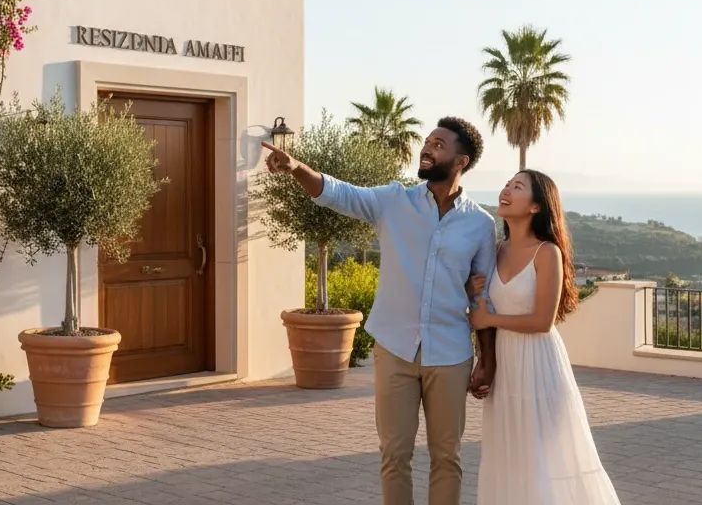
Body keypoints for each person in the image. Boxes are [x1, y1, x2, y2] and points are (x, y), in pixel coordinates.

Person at [264, 116, 497, 505]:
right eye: (427, 141)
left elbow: (482, 298)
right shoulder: (394, 201)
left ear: (461, 161)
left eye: (439, 145)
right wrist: (296, 168)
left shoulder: (480, 224)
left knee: (447, 457)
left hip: (451, 353)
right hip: (394, 348)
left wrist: (487, 359)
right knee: (394, 455)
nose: (427, 148)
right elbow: (339, 193)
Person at [468, 170, 622, 504]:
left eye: (517, 187)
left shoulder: (547, 253)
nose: (506, 190)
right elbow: (482, 306)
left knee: (543, 459)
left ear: (536, 206)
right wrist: (484, 357)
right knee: (508, 456)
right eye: (507, 184)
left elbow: (542, 321)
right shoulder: (495, 251)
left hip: (538, 363)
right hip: (505, 366)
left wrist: (489, 318)